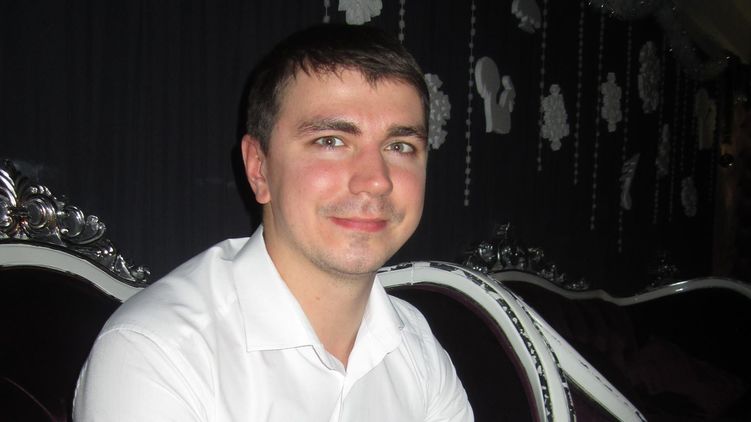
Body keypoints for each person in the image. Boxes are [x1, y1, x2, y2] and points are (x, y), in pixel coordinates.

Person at [73, 24, 473, 421]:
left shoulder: (418, 348)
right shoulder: (158, 352)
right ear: (259, 168)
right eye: (331, 141)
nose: (376, 180)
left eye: (400, 146)